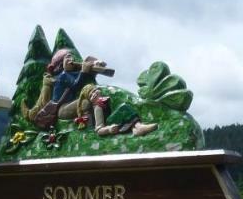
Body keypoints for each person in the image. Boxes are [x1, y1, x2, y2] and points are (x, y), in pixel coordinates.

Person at [26, 49, 157, 137]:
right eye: (66, 58)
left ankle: (136, 126)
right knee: (89, 92)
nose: (70, 59)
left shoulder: (76, 73)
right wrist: (83, 72)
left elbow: (89, 66)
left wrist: (96, 63)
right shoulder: (62, 76)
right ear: (60, 64)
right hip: (62, 109)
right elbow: (75, 86)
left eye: (71, 56)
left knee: (101, 98)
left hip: (77, 102)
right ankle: (99, 128)